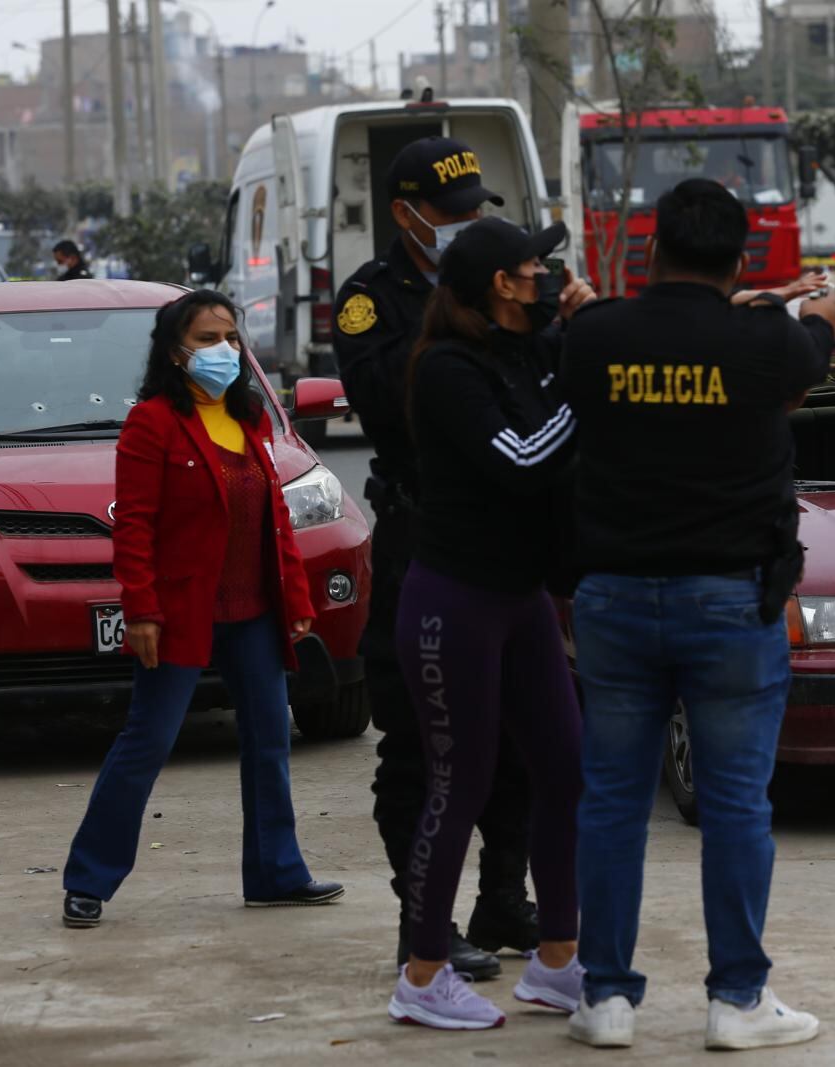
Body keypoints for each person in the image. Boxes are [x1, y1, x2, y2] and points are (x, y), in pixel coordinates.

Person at [559, 178, 835, 1051]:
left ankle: (606, 998)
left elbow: (588, 361)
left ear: (652, 250)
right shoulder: (766, 339)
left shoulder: (595, 334)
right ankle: (737, 999)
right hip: (729, 601)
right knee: (735, 805)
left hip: (612, 596)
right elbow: (812, 347)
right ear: (741, 258)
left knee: (611, 801)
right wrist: (816, 309)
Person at [61, 290, 343, 928]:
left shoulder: (250, 418)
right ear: (175, 351)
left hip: (255, 614)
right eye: (208, 339)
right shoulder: (152, 423)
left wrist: (296, 598)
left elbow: (273, 517)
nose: (225, 350)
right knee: (148, 742)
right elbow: (134, 526)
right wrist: (141, 611)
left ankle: (276, 875)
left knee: (270, 741)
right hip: (180, 612)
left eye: (231, 338)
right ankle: (89, 881)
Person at [332, 136, 539, 980]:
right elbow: (391, 401)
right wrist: (457, 315)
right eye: (450, 215)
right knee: (421, 741)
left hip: (507, 534)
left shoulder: (498, 283)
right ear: (404, 214)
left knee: (520, 732)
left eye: (474, 213)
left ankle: (503, 897)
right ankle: (424, 919)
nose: (464, 226)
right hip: (421, 536)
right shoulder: (370, 300)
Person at [384, 217, 596, 1030]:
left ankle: (557, 961)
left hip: (522, 597)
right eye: (535, 265)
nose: (548, 274)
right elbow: (524, 459)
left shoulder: (530, 347)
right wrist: (579, 381)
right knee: (460, 781)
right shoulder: (446, 367)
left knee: (564, 769)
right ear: (501, 284)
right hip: (455, 600)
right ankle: (422, 973)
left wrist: (581, 340)